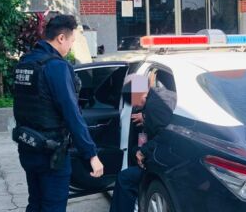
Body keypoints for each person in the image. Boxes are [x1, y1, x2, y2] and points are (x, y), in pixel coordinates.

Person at [13, 14, 104, 212]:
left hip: (27, 146)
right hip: (51, 154)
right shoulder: (56, 66)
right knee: (52, 206)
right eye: (72, 41)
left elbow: (22, 105)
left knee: (35, 203)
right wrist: (91, 154)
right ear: (61, 38)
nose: (71, 46)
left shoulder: (26, 62)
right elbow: (72, 114)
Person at [110, 79, 177, 212]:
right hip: (168, 156)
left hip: (163, 159)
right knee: (134, 151)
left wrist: (142, 152)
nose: (134, 105)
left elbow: (164, 136)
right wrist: (146, 118)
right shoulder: (161, 96)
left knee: (124, 178)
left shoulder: (154, 107)